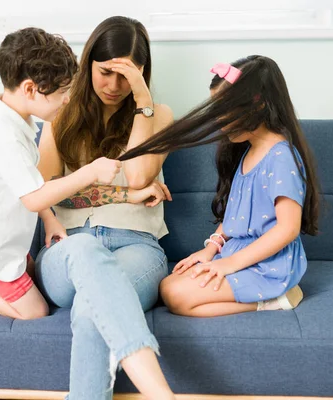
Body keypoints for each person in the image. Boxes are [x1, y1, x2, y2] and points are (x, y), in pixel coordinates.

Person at [0, 27, 162, 321]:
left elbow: (36, 186)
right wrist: (91, 171)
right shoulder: (6, 134)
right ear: (30, 89)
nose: (66, 100)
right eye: (62, 91)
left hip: (15, 242)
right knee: (35, 311)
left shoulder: (19, 121)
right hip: (0, 247)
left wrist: (50, 220)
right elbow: (36, 196)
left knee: (58, 284)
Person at [35, 16, 177, 400]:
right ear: (88, 65)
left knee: (89, 309)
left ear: (141, 73)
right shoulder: (60, 116)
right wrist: (117, 196)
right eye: (105, 72)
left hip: (137, 248)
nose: (114, 86)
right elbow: (45, 194)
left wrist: (143, 102)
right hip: (69, 250)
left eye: (125, 76)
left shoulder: (158, 115)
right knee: (83, 250)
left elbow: (136, 176)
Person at [120, 55, 321, 317]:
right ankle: (263, 295)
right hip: (236, 255)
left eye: (224, 110)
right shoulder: (247, 152)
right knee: (168, 286)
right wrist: (210, 249)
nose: (219, 120)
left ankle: (277, 299)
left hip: (268, 265)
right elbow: (236, 216)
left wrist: (229, 264)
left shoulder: (281, 157)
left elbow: (288, 228)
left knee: (179, 298)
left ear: (257, 104)